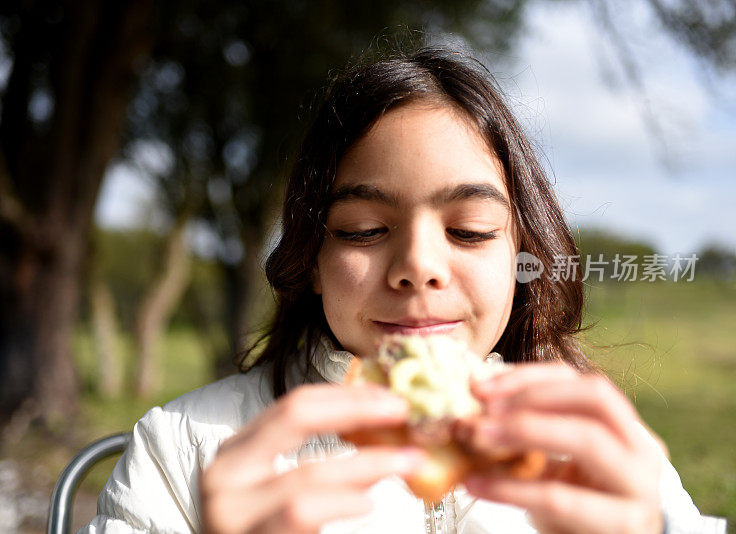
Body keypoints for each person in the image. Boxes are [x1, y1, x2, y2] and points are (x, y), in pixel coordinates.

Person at [80, 45, 719, 533]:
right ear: (310, 255)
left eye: (468, 231)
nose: (418, 266)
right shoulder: (180, 450)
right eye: (363, 230)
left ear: (521, 258)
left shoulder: (602, 460)